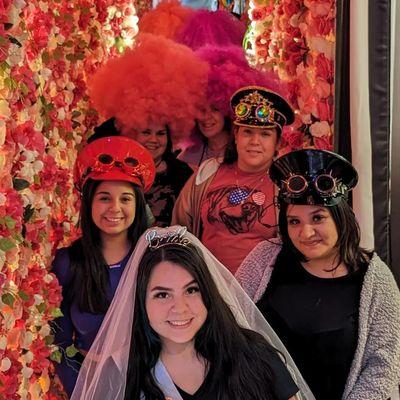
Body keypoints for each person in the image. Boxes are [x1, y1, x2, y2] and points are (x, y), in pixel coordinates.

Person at [71, 226, 315, 400]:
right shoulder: (121, 372)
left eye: (191, 290)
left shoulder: (253, 354)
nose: (180, 307)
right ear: (140, 301)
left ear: (208, 292)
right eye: (162, 294)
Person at [237, 149, 400, 400]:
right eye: (294, 221)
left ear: (341, 217)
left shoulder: (376, 279)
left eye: (318, 217)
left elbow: (383, 367)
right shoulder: (264, 258)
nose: (306, 232)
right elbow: (229, 322)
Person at [51, 135, 155, 397]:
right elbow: (60, 342)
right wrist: (86, 390)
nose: (115, 209)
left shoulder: (153, 259)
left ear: (138, 204)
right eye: (105, 198)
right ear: (89, 203)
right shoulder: (68, 262)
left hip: (152, 384)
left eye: (125, 199)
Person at [172, 85, 295, 274]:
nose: (255, 141)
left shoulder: (286, 186)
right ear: (236, 135)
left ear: (277, 142)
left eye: (265, 134)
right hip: (210, 290)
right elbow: (180, 229)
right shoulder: (208, 173)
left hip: (262, 295)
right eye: (247, 132)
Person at [89, 34, 207, 226]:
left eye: (160, 133)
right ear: (132, 132)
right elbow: (95, 143)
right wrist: (124, 113)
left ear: (170, 137)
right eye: (146, 132)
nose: (154, 139)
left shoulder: (181, 174)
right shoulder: (118, 167)